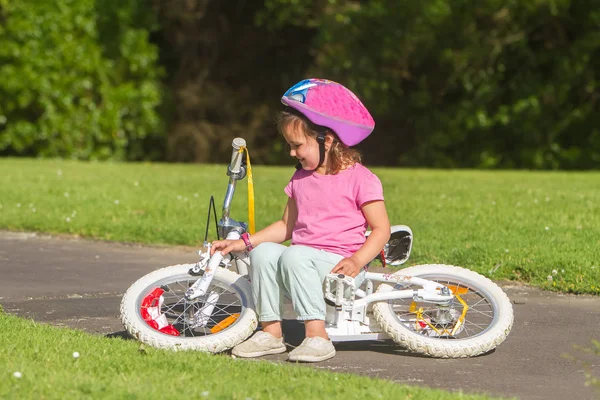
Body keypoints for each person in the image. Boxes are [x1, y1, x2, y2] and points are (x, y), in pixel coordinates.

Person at [210, 78, 390, 362]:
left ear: (326, 141)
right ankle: (271, 333)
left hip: (341, 267)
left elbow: (381, 229)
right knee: (265, 253)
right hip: (301, 262)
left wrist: (357, 261)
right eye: (289, 146)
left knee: (295, 256)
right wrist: (244, 243)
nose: (292, 153)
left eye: (297, 145)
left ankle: (317, 337)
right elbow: (286, 227)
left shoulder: (360, 178)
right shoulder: (300, 179)